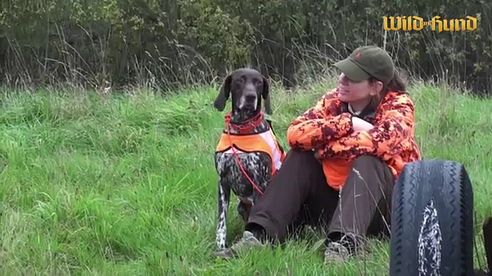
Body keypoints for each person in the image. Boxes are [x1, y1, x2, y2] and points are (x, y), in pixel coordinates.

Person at [229, 45, 421, 262]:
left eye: (352, 77)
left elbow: (384, 141)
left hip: (382, 209)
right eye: (343, 72)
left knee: (369, 161)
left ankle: (345, 245)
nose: (342, 79)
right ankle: (259, 234)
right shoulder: (334, 100)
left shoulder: (399, 104)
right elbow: (295, 132)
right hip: (335, 198)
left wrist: (325, 147)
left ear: (375, 87)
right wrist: (347, 122)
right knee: (301, 155)